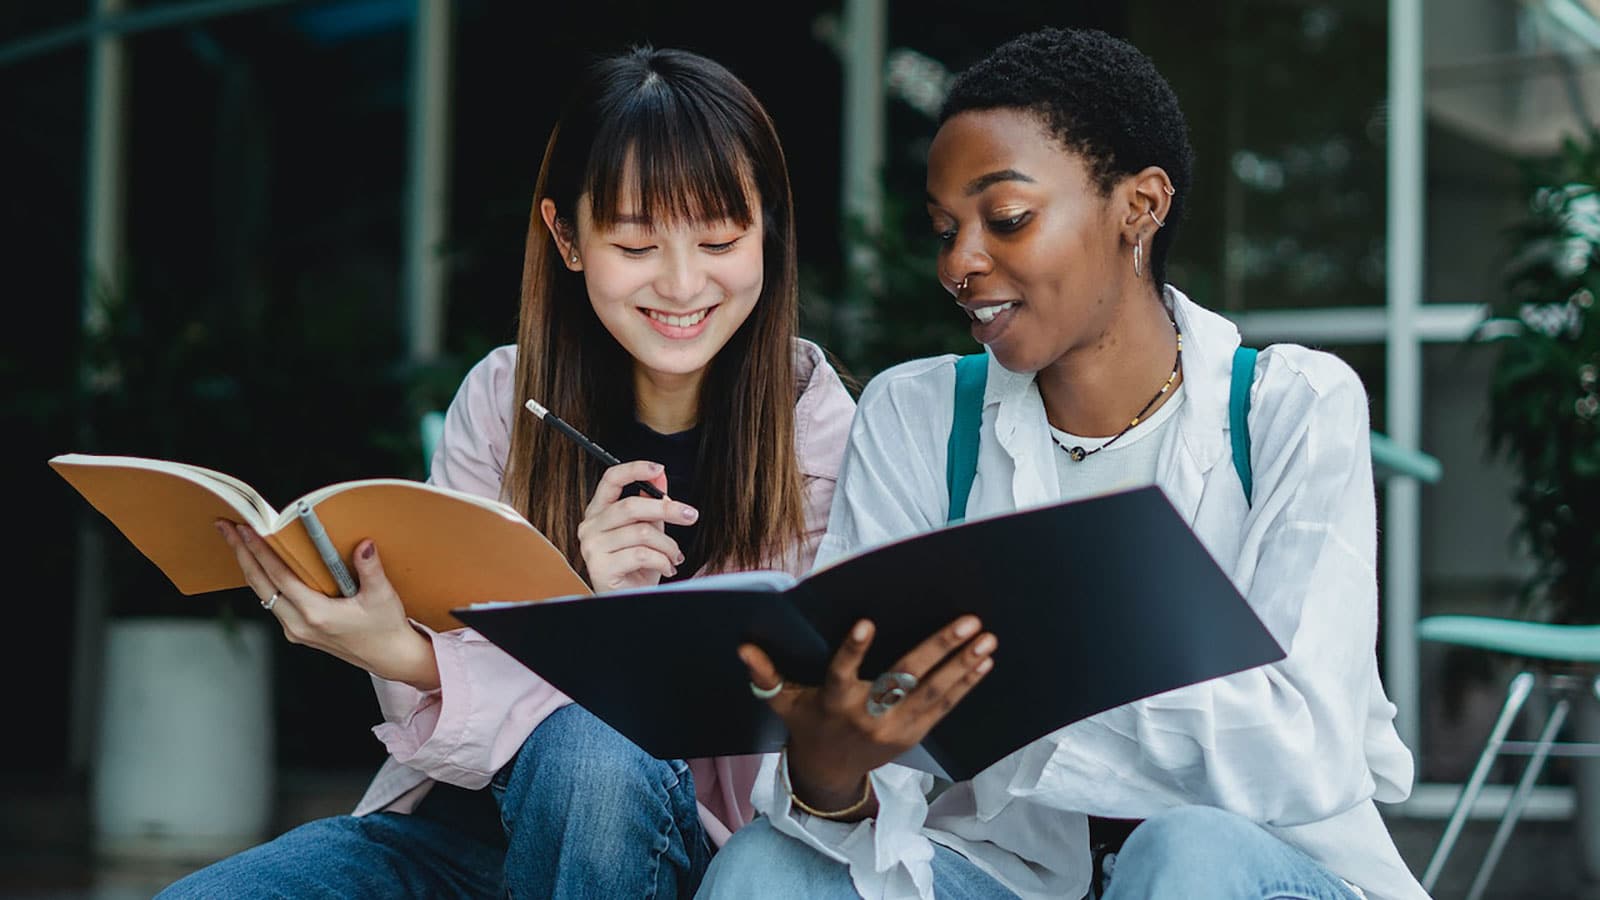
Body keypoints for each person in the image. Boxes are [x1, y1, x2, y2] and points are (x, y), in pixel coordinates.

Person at [696, 26, 1429, 900]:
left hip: (1257, 873)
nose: (961, 264)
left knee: (1184, 854)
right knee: (763, 871)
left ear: (1141, 208)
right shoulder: (917, 416)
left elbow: (1301, 749)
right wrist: (832, 773)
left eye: (1006, 219)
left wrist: (1002, 701)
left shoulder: (1290, 409)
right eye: (943, 230)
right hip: (1009, 878)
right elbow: (874, 770)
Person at [158, 45, 858, 899]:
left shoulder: (820, 435)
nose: (683, 284)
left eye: (719, 238)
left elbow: (797, 729)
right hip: (465, 834)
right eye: (636, 242)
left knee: (589, 756)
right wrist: (417, 647)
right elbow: (453, 678)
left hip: (675, 845)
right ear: (567, 237)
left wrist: (448, 656)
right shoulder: (500, 402)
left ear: (767, 230)